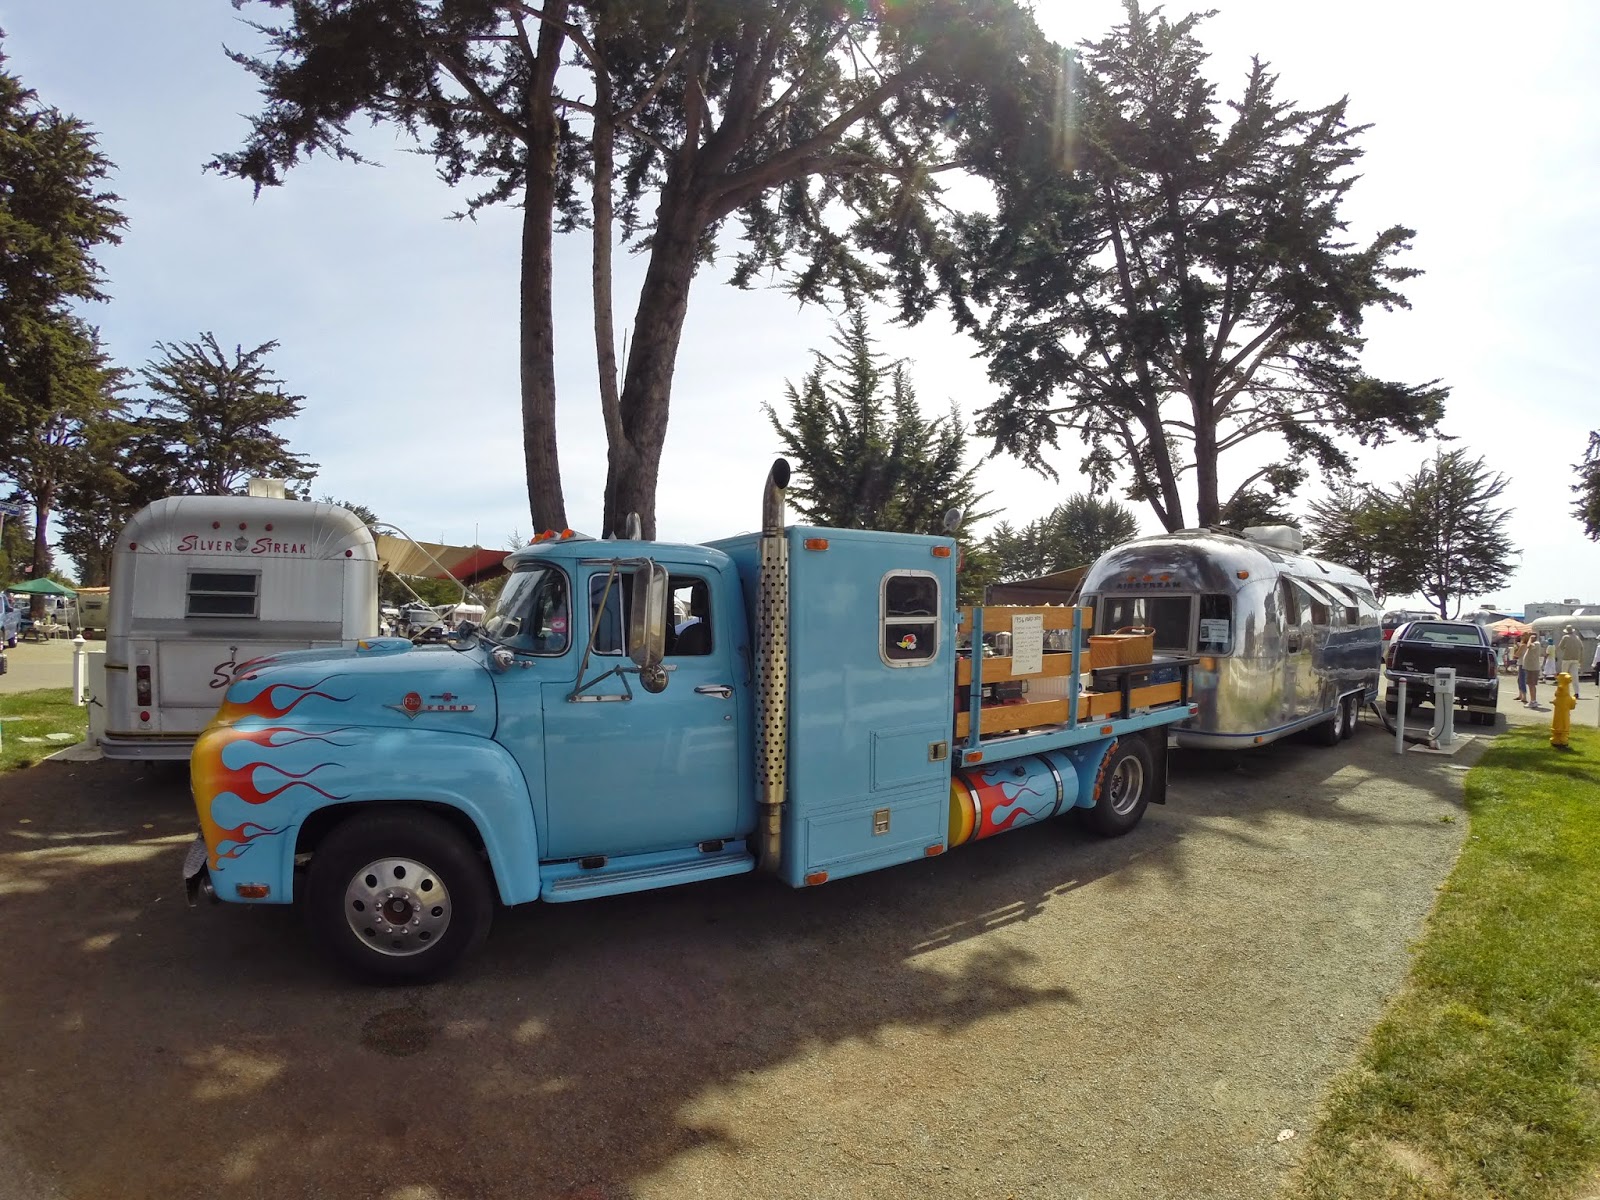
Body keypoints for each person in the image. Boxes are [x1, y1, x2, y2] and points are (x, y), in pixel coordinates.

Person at [1555, 624, 1585, 700]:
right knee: (1575, 676)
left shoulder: (1565, 637)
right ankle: (1576, 692)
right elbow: (1581, 647)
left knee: (1564, 675)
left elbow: (1560, 646)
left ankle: (1563, 690)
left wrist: (1565, 649)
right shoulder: (1577, 638)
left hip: (1566, 658)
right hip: (1575, 658)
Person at [1520, 634, 1547, 708]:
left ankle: (1533, 701)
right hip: (1530, 667)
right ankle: (1533, 700)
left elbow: (1528, 646)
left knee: (1531, 685)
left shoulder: (1536, 644)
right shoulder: (1534, 644)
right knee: (1530, 684)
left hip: (1532, 668)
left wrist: (1530, 639)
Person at [1515, 633, 1532, 703]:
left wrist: (1515, 651)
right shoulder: (1528, 645)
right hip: (1526, 663)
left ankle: (1523, 696)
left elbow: (1517, 655)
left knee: (1521, 680)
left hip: (1522, 663)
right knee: (1520, 679)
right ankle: (1521, 695)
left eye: (1522, 636)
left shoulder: (1522, 645)